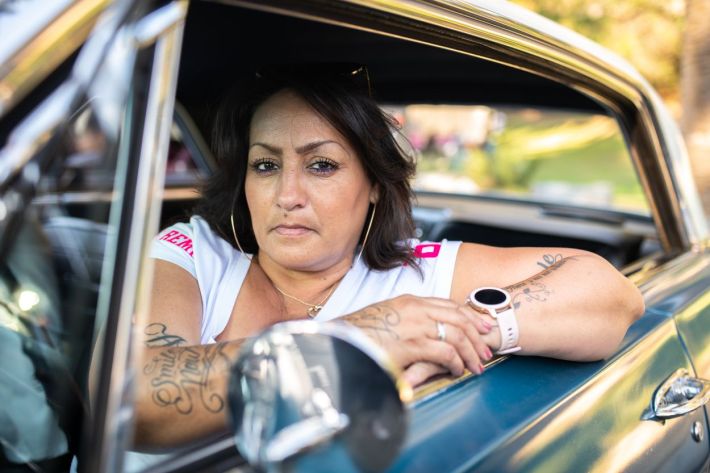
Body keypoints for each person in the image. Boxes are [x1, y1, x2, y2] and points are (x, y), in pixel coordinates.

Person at [134, 65, 644, 449]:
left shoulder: (413, 269)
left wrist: (450, 330)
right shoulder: (195, 252)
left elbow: (611, 295)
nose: (287, 194)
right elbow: (132, 400)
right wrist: (366, 337)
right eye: (265, 164)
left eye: (322, 165)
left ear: (375, 184)